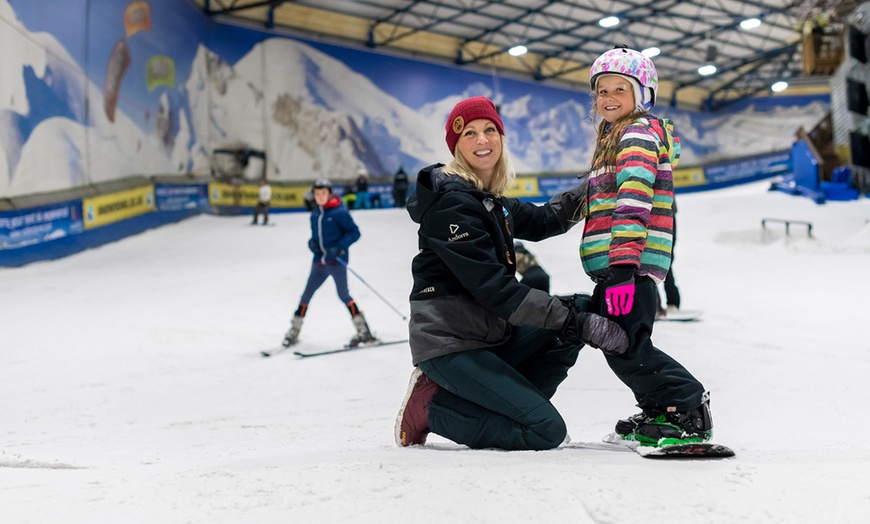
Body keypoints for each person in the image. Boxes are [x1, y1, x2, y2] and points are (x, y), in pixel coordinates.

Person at [394, 96, 629, 450]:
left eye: (490, 130)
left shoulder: (486, 199)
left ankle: (503, 404)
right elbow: (497, 291)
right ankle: (433, 408)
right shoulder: (452, 205)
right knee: (544, 431)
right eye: (470, 133)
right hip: (451, 346)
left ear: (502, 138)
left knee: (576, 312)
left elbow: (545, 219)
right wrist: (578, 323)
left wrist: (595, 187)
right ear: (456, 146)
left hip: (489, 336)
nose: (483, 140)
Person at [579, 46, 712, 446]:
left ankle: (686, 406)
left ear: (643, 94)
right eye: (602, 91)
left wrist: (622, 268)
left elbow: (634, 199)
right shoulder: (615, 135)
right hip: (619, 266)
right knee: (622, 344)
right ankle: (659, 410)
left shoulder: (636, 133)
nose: (609, 98)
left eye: (621, 88)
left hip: (628, 268)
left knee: (627, 346)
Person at [282, 178, 377, 348]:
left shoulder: (339, 212)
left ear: (329, 194)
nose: (320, 197)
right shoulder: (315, 214)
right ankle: (293, 332)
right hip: (319, 262)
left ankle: (364, 331)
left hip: (336, 261)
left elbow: (355, 233)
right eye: (317, 194)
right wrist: (312, 244)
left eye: (323, 193)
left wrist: (340, 247)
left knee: (343, 295)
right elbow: (315, 237)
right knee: (306, 296)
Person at [655, 200, 681, 319]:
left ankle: (672, 302)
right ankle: (655, 304)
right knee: (649, 262)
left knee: (667, 261)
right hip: (652, 216)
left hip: (667, 215)